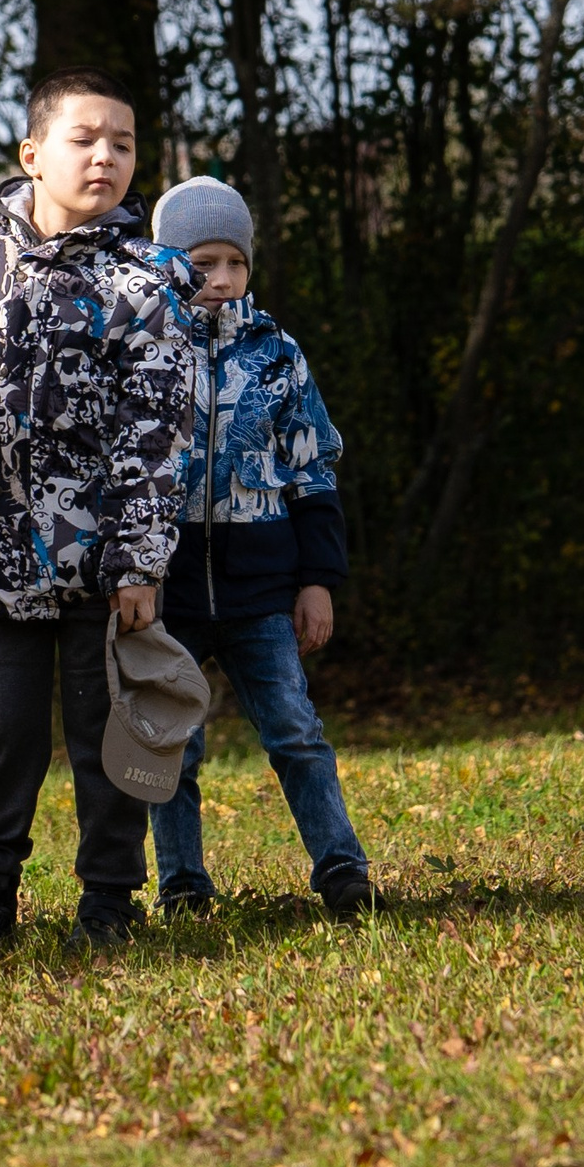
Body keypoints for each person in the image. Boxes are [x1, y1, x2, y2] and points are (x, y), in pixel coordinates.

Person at [0, 74, 195, 954]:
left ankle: (109, 897)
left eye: (124, 144)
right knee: (1, 736)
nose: (105, 156)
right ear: (31, 155)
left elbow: (157, 429)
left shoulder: (148, 275)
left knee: (107, 741)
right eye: (85, 138)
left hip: (103, 565)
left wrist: (140, 559)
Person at [147, 178, 374, 920]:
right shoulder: (147, 349)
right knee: (172, 748)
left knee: (296, 731)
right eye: (200, 261)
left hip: (262, 590)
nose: (218, 277)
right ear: (166, 265)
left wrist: (318, 579)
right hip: (170, 589)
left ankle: (342, 868)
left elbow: (313, 468)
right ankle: (183, 884)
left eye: (232, 263)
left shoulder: (277, 353)